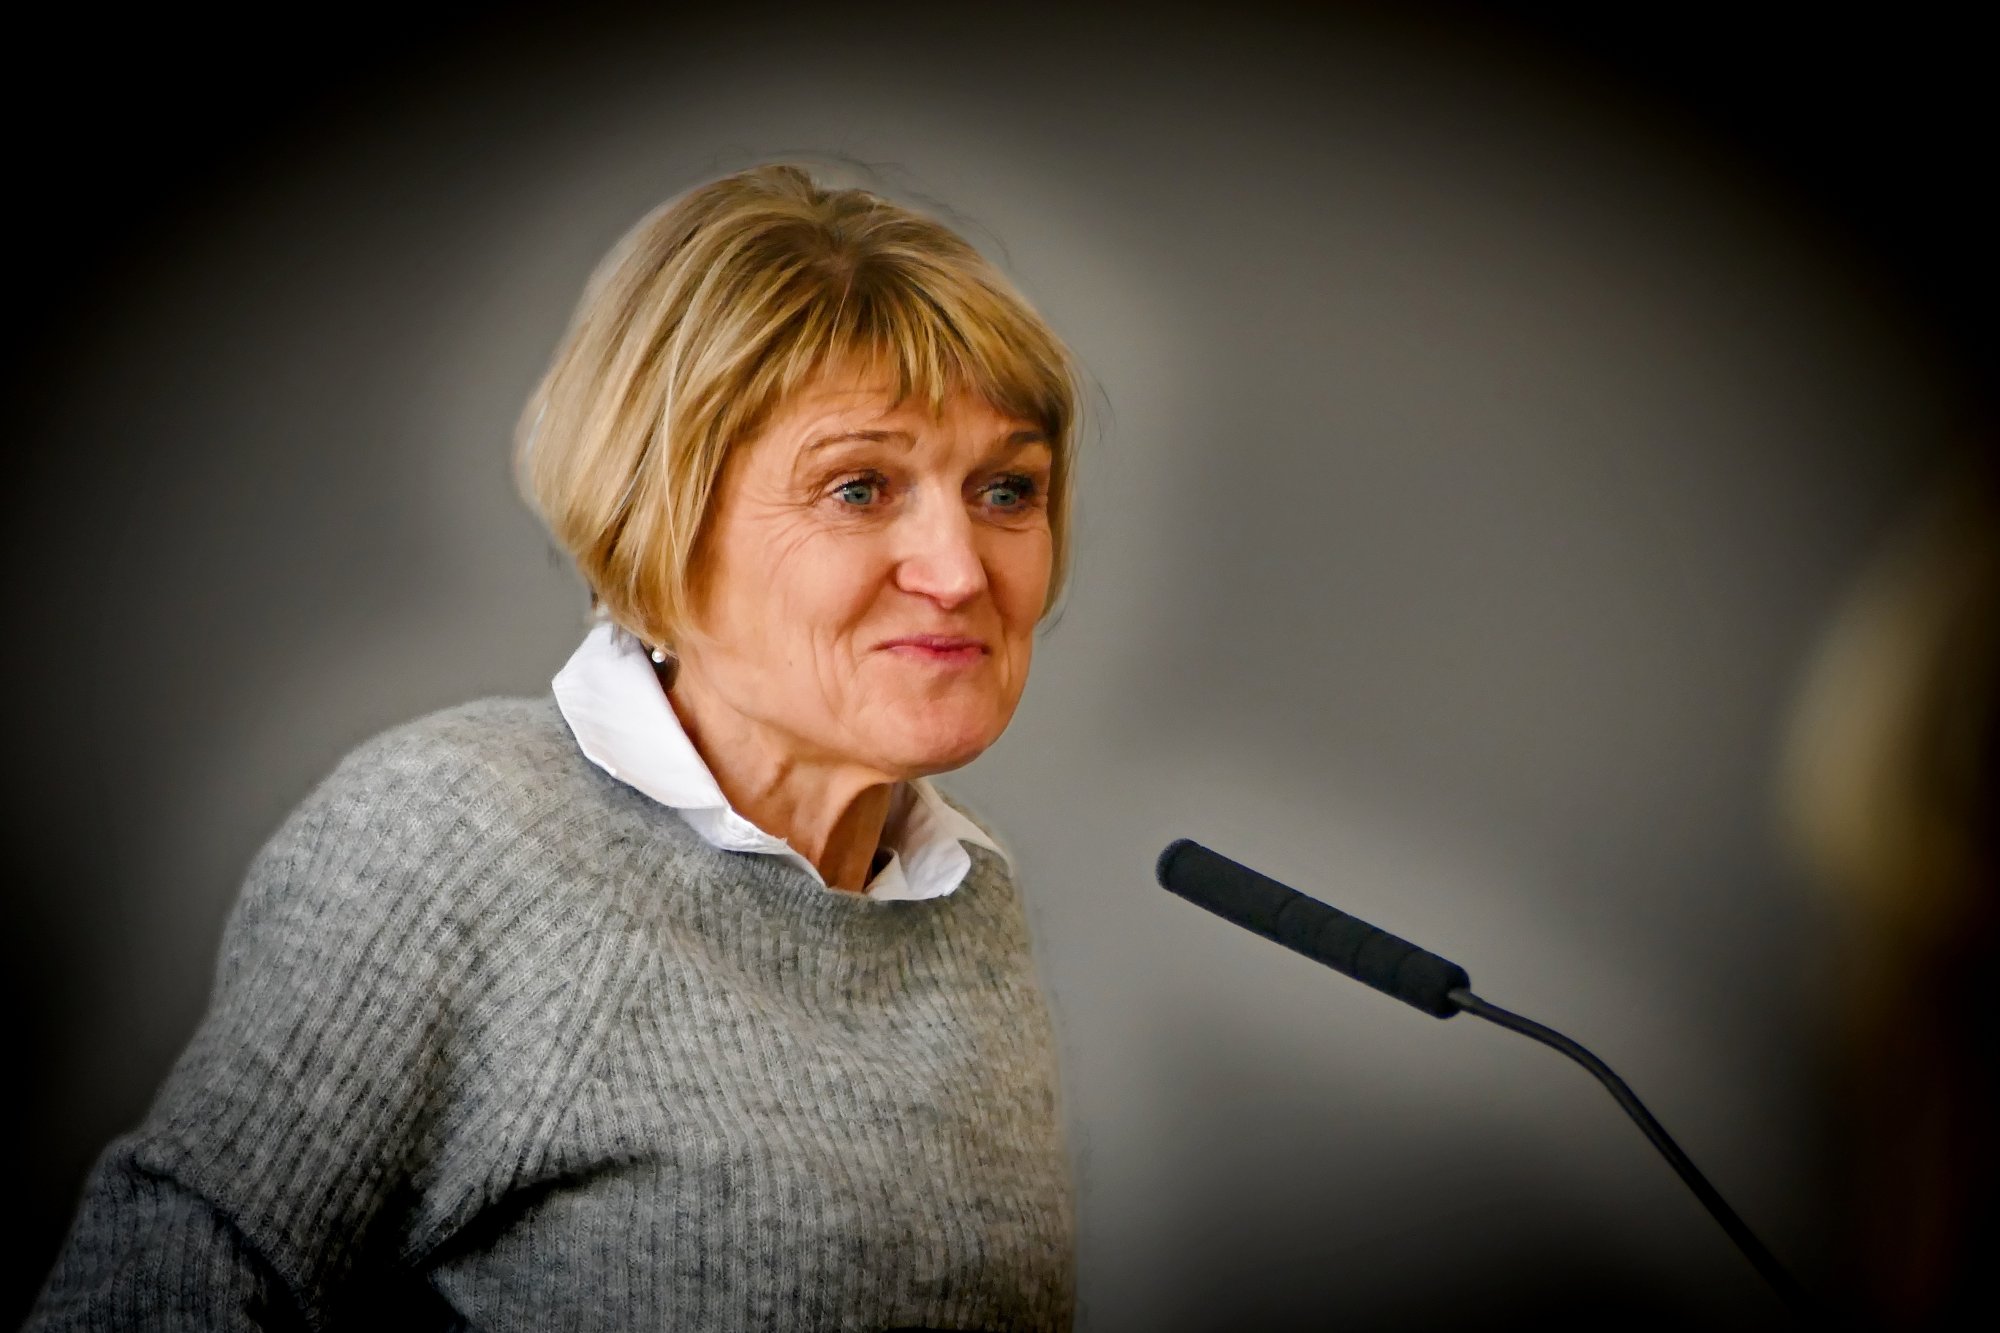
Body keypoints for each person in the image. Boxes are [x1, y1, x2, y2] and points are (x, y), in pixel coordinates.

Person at [28, 162, 1083, 1332]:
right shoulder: (451, 842)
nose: (958, 570)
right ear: (662, 515)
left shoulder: (965, 900)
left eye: (1005, 489)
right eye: (857, 488)